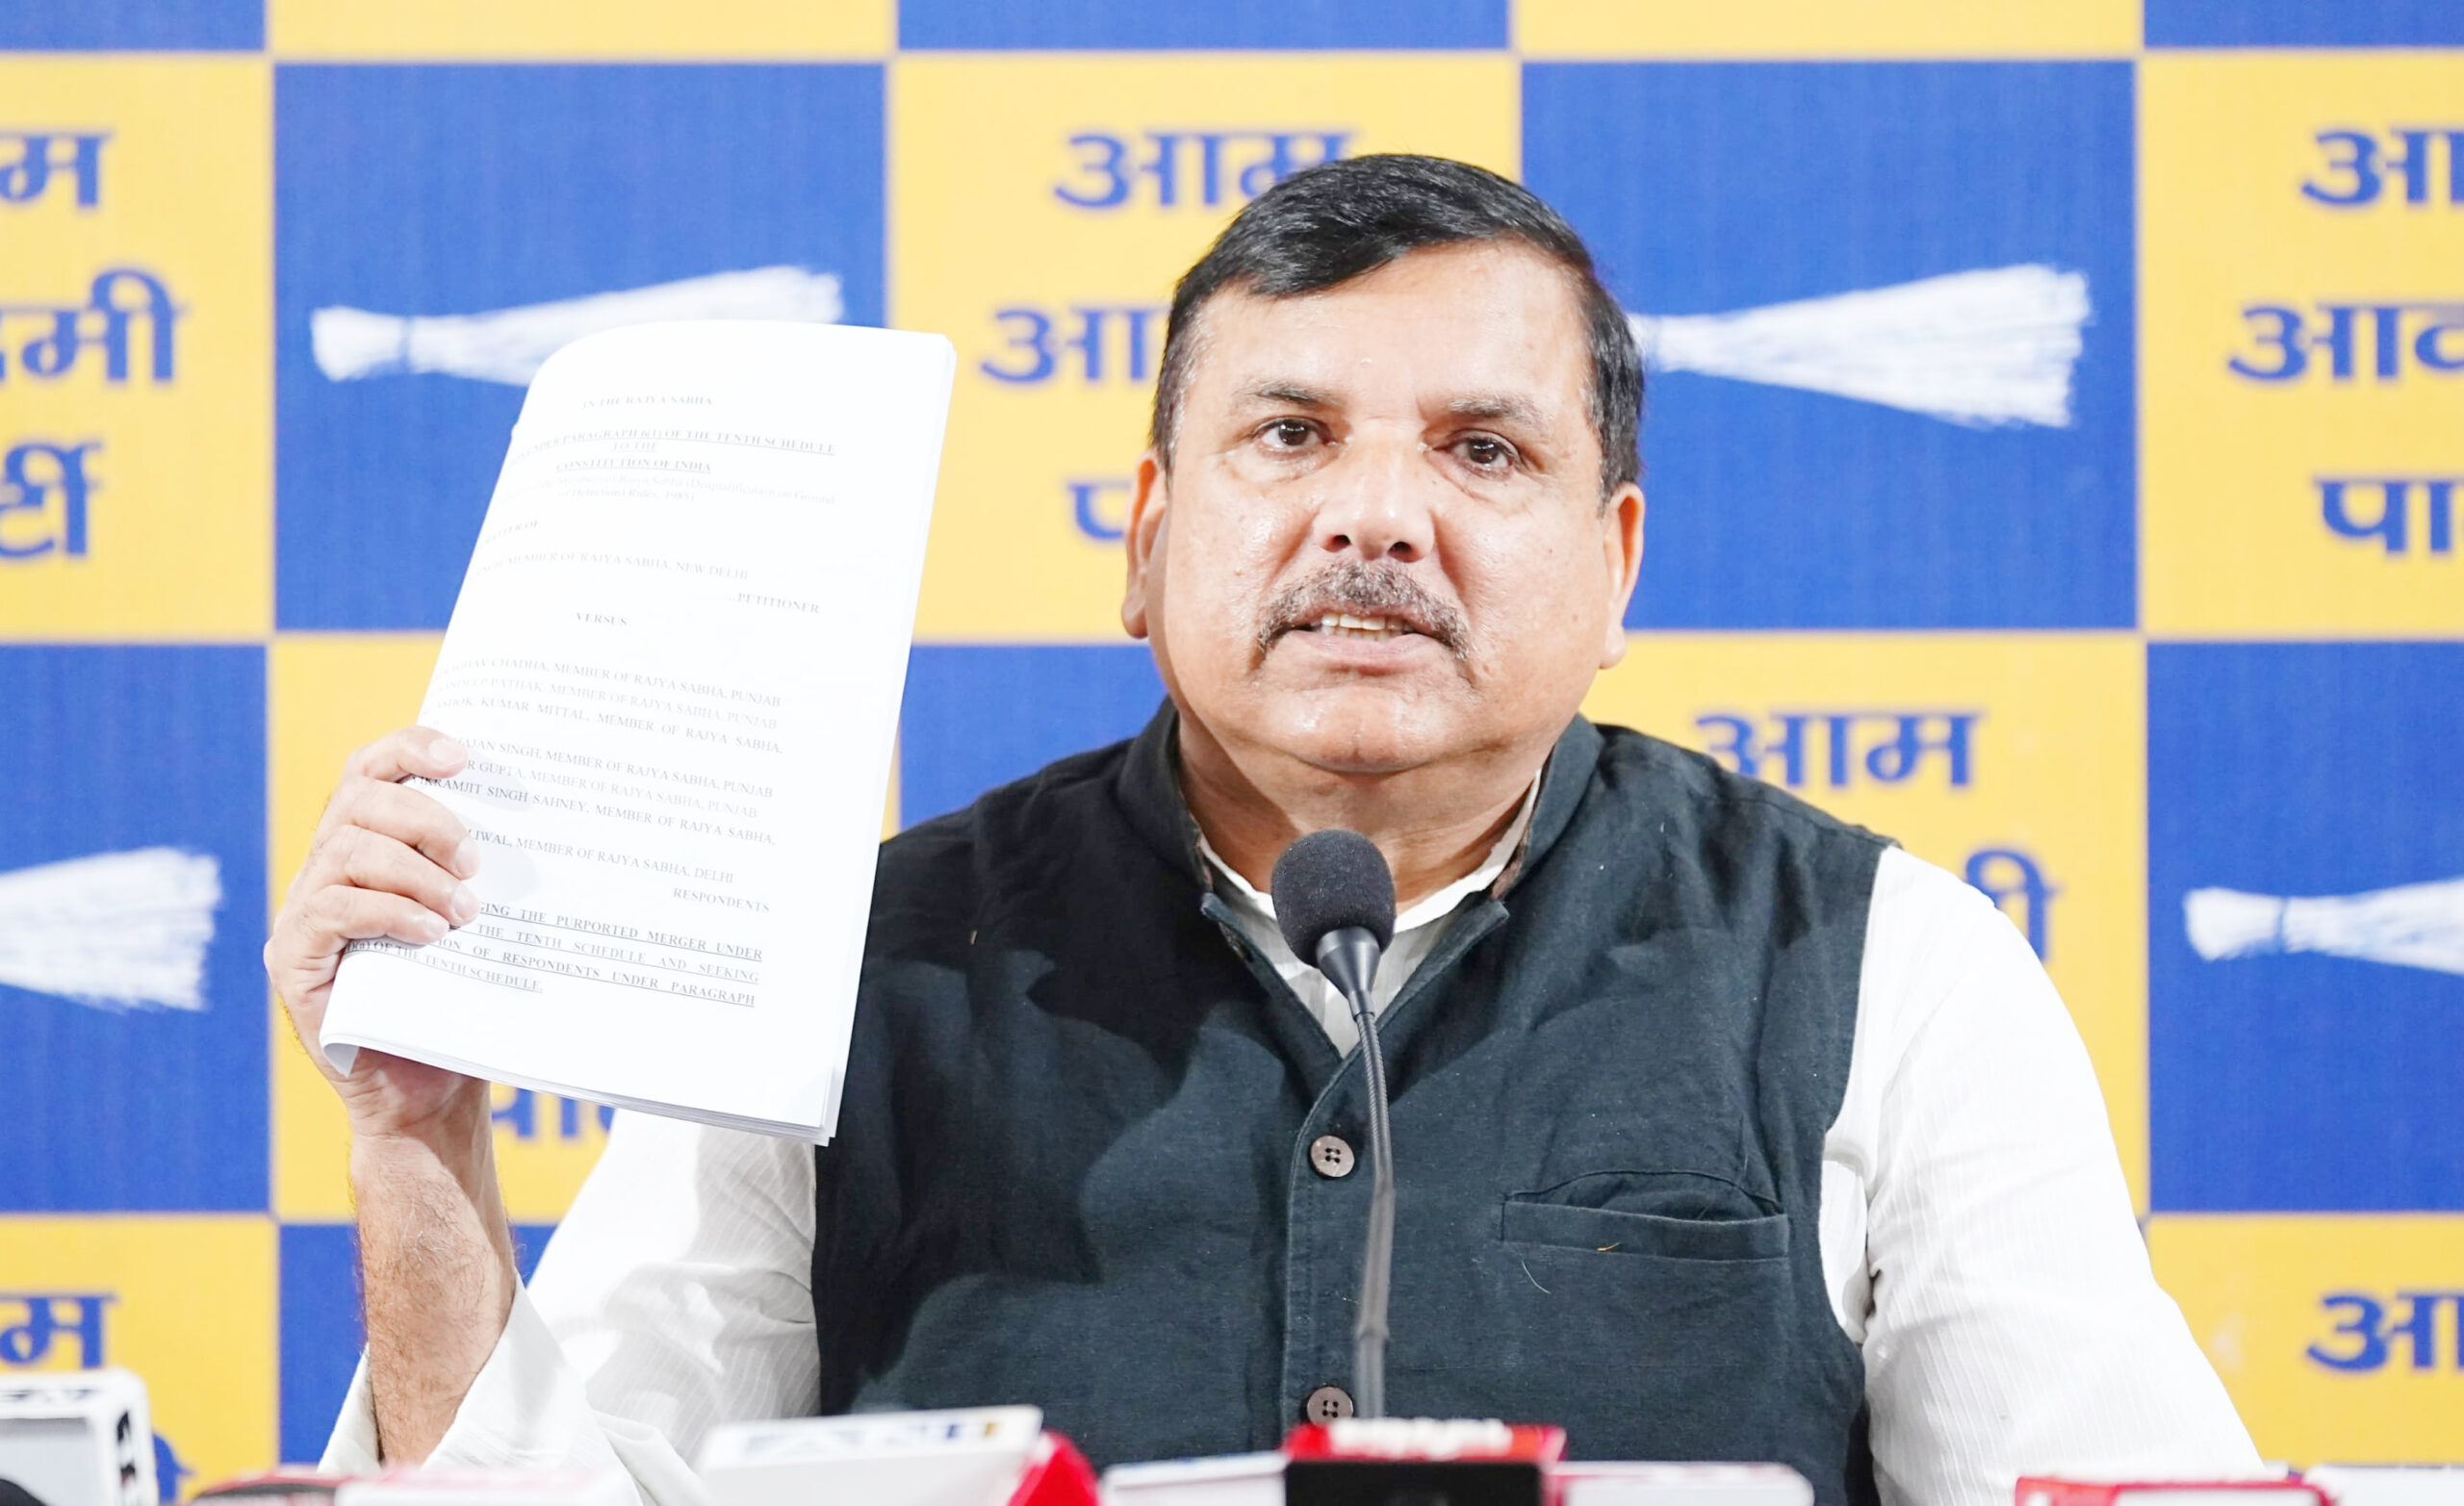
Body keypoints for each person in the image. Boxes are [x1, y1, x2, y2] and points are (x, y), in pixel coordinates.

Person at [265, 155, 2257, 1506]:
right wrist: (418, 1139)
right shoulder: (849, 967)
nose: (1374, 517)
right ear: (1145, 542)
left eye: (1482, 450)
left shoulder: (1884, 968)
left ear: (1615, 566)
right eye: (1288, 435)